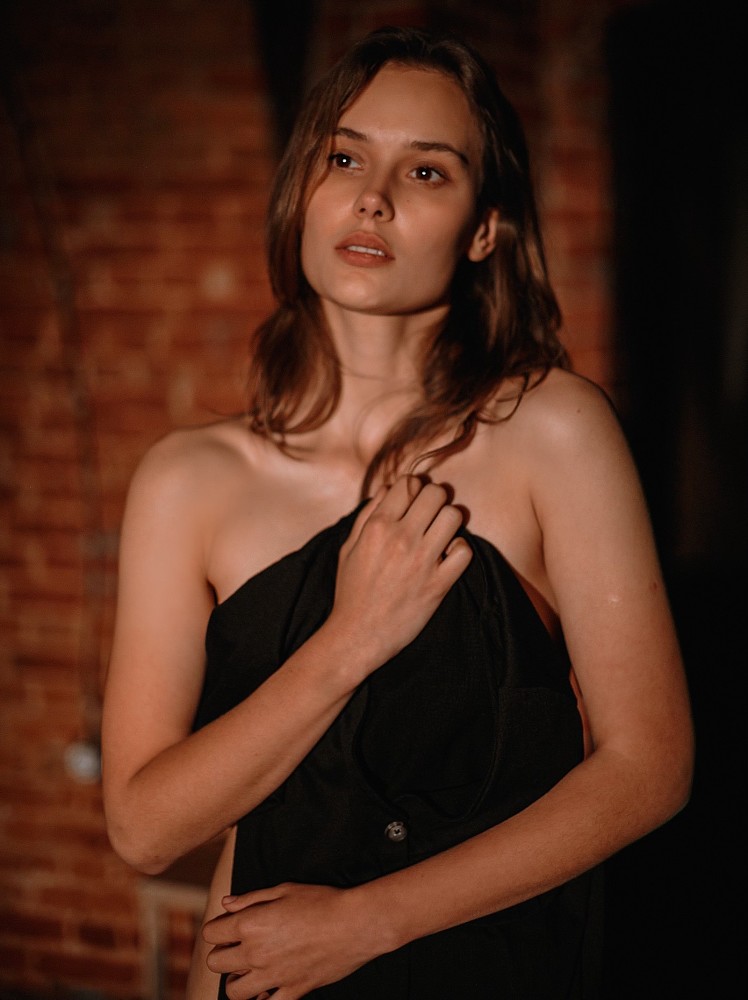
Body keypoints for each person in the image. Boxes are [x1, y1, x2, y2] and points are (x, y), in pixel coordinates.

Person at [101, 26, 693, 1000]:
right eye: (345, 158)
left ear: (484, 229)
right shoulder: (186, 479)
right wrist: (350, 640)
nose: (372, 196)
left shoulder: (554, 430)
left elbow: (648, 767)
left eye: (425, 171)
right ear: (302, 190)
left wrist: (366, 924)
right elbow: (143, 828)